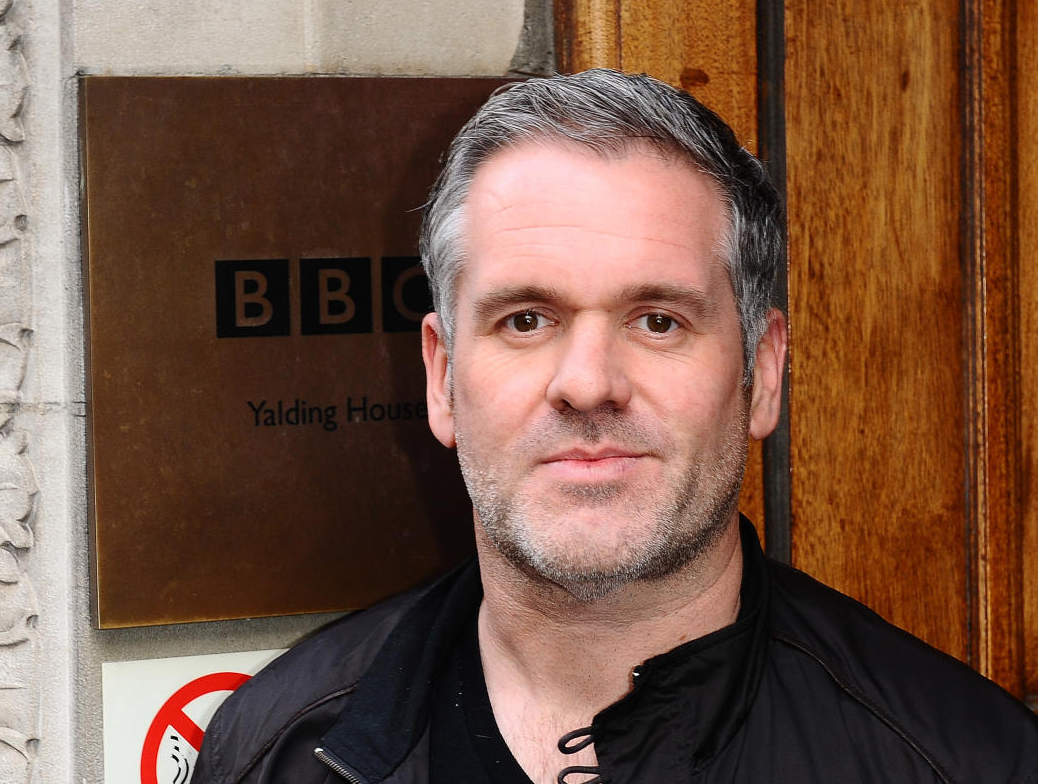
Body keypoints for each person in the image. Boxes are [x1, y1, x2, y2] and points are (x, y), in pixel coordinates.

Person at [191, 69, 1038, 783]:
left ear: (762, 372)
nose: (588, 383)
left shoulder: (967, 761)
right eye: (526, 319)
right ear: (442, 376)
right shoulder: (275, 752)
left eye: (658, 320)